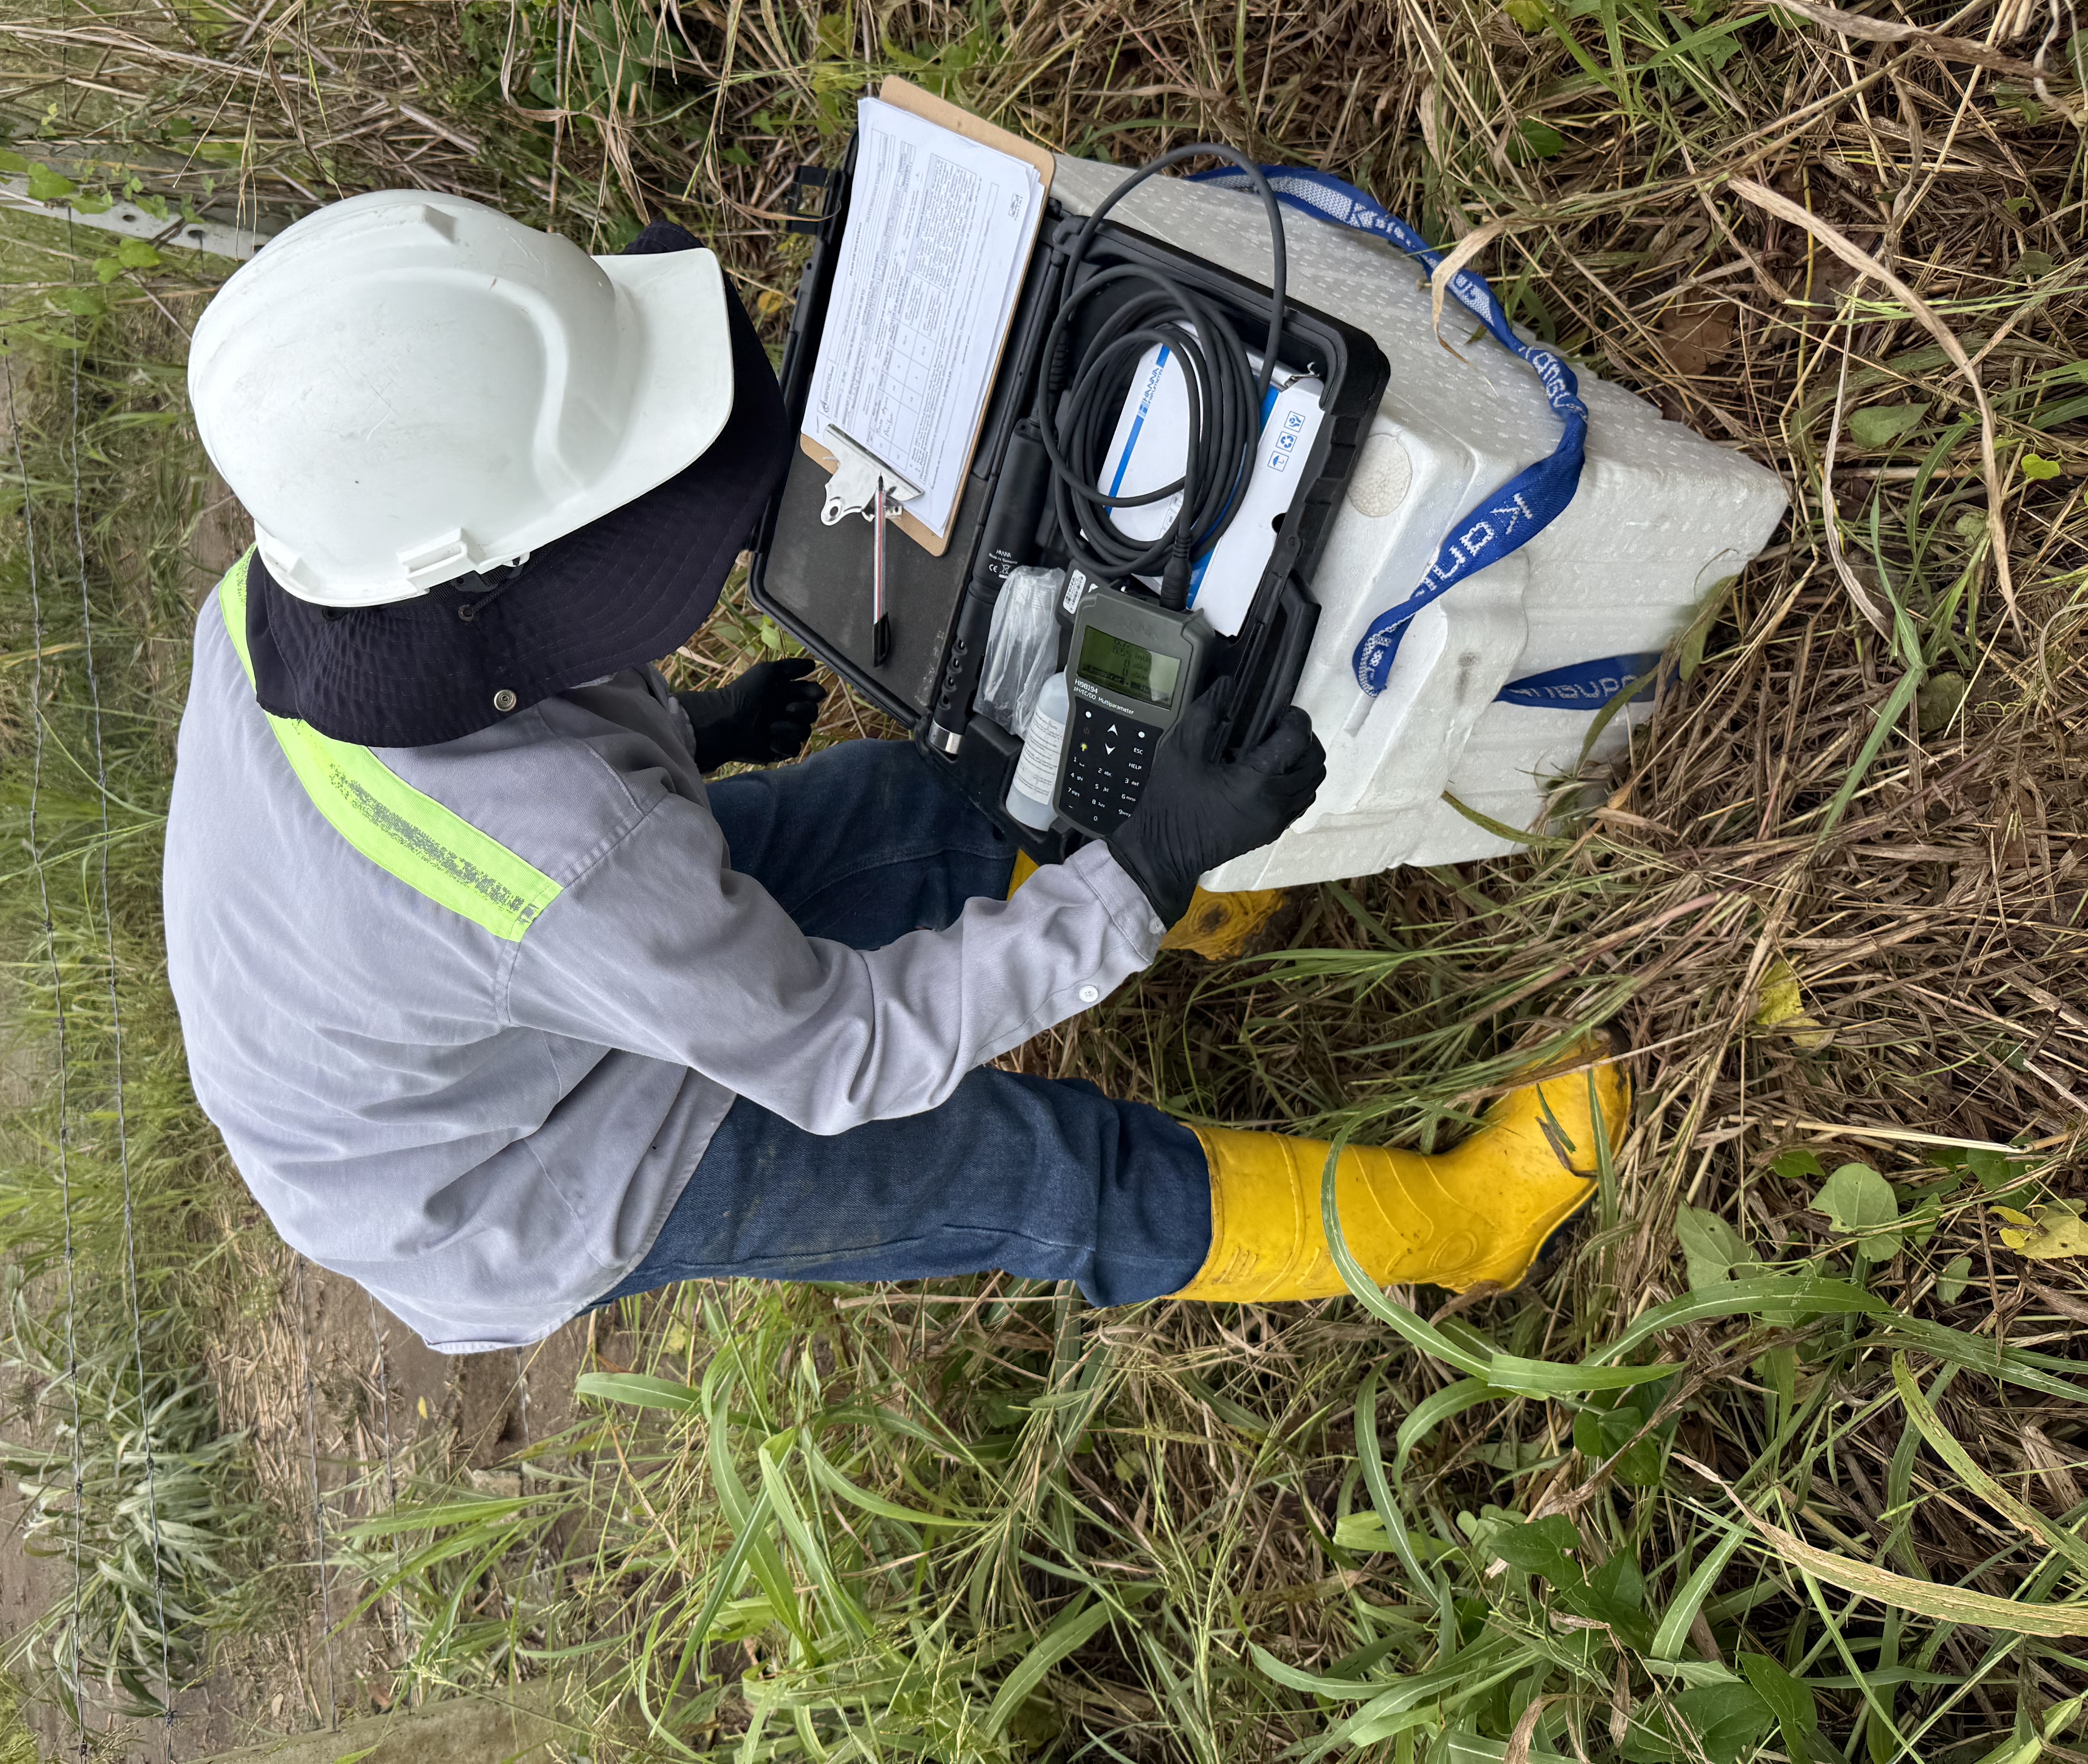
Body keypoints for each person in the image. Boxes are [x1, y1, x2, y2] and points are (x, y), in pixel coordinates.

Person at [161, 191, 1627, 1354]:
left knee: (914, 813)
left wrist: (681, 737)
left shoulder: (326, 556)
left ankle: (1196, 912)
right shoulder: (569, 858)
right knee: (1033, 1171)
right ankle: (1461, 1226)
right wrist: (1140, 864)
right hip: (505, 1179)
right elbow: (841, 1053)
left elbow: (506, 741)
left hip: (433, 995)